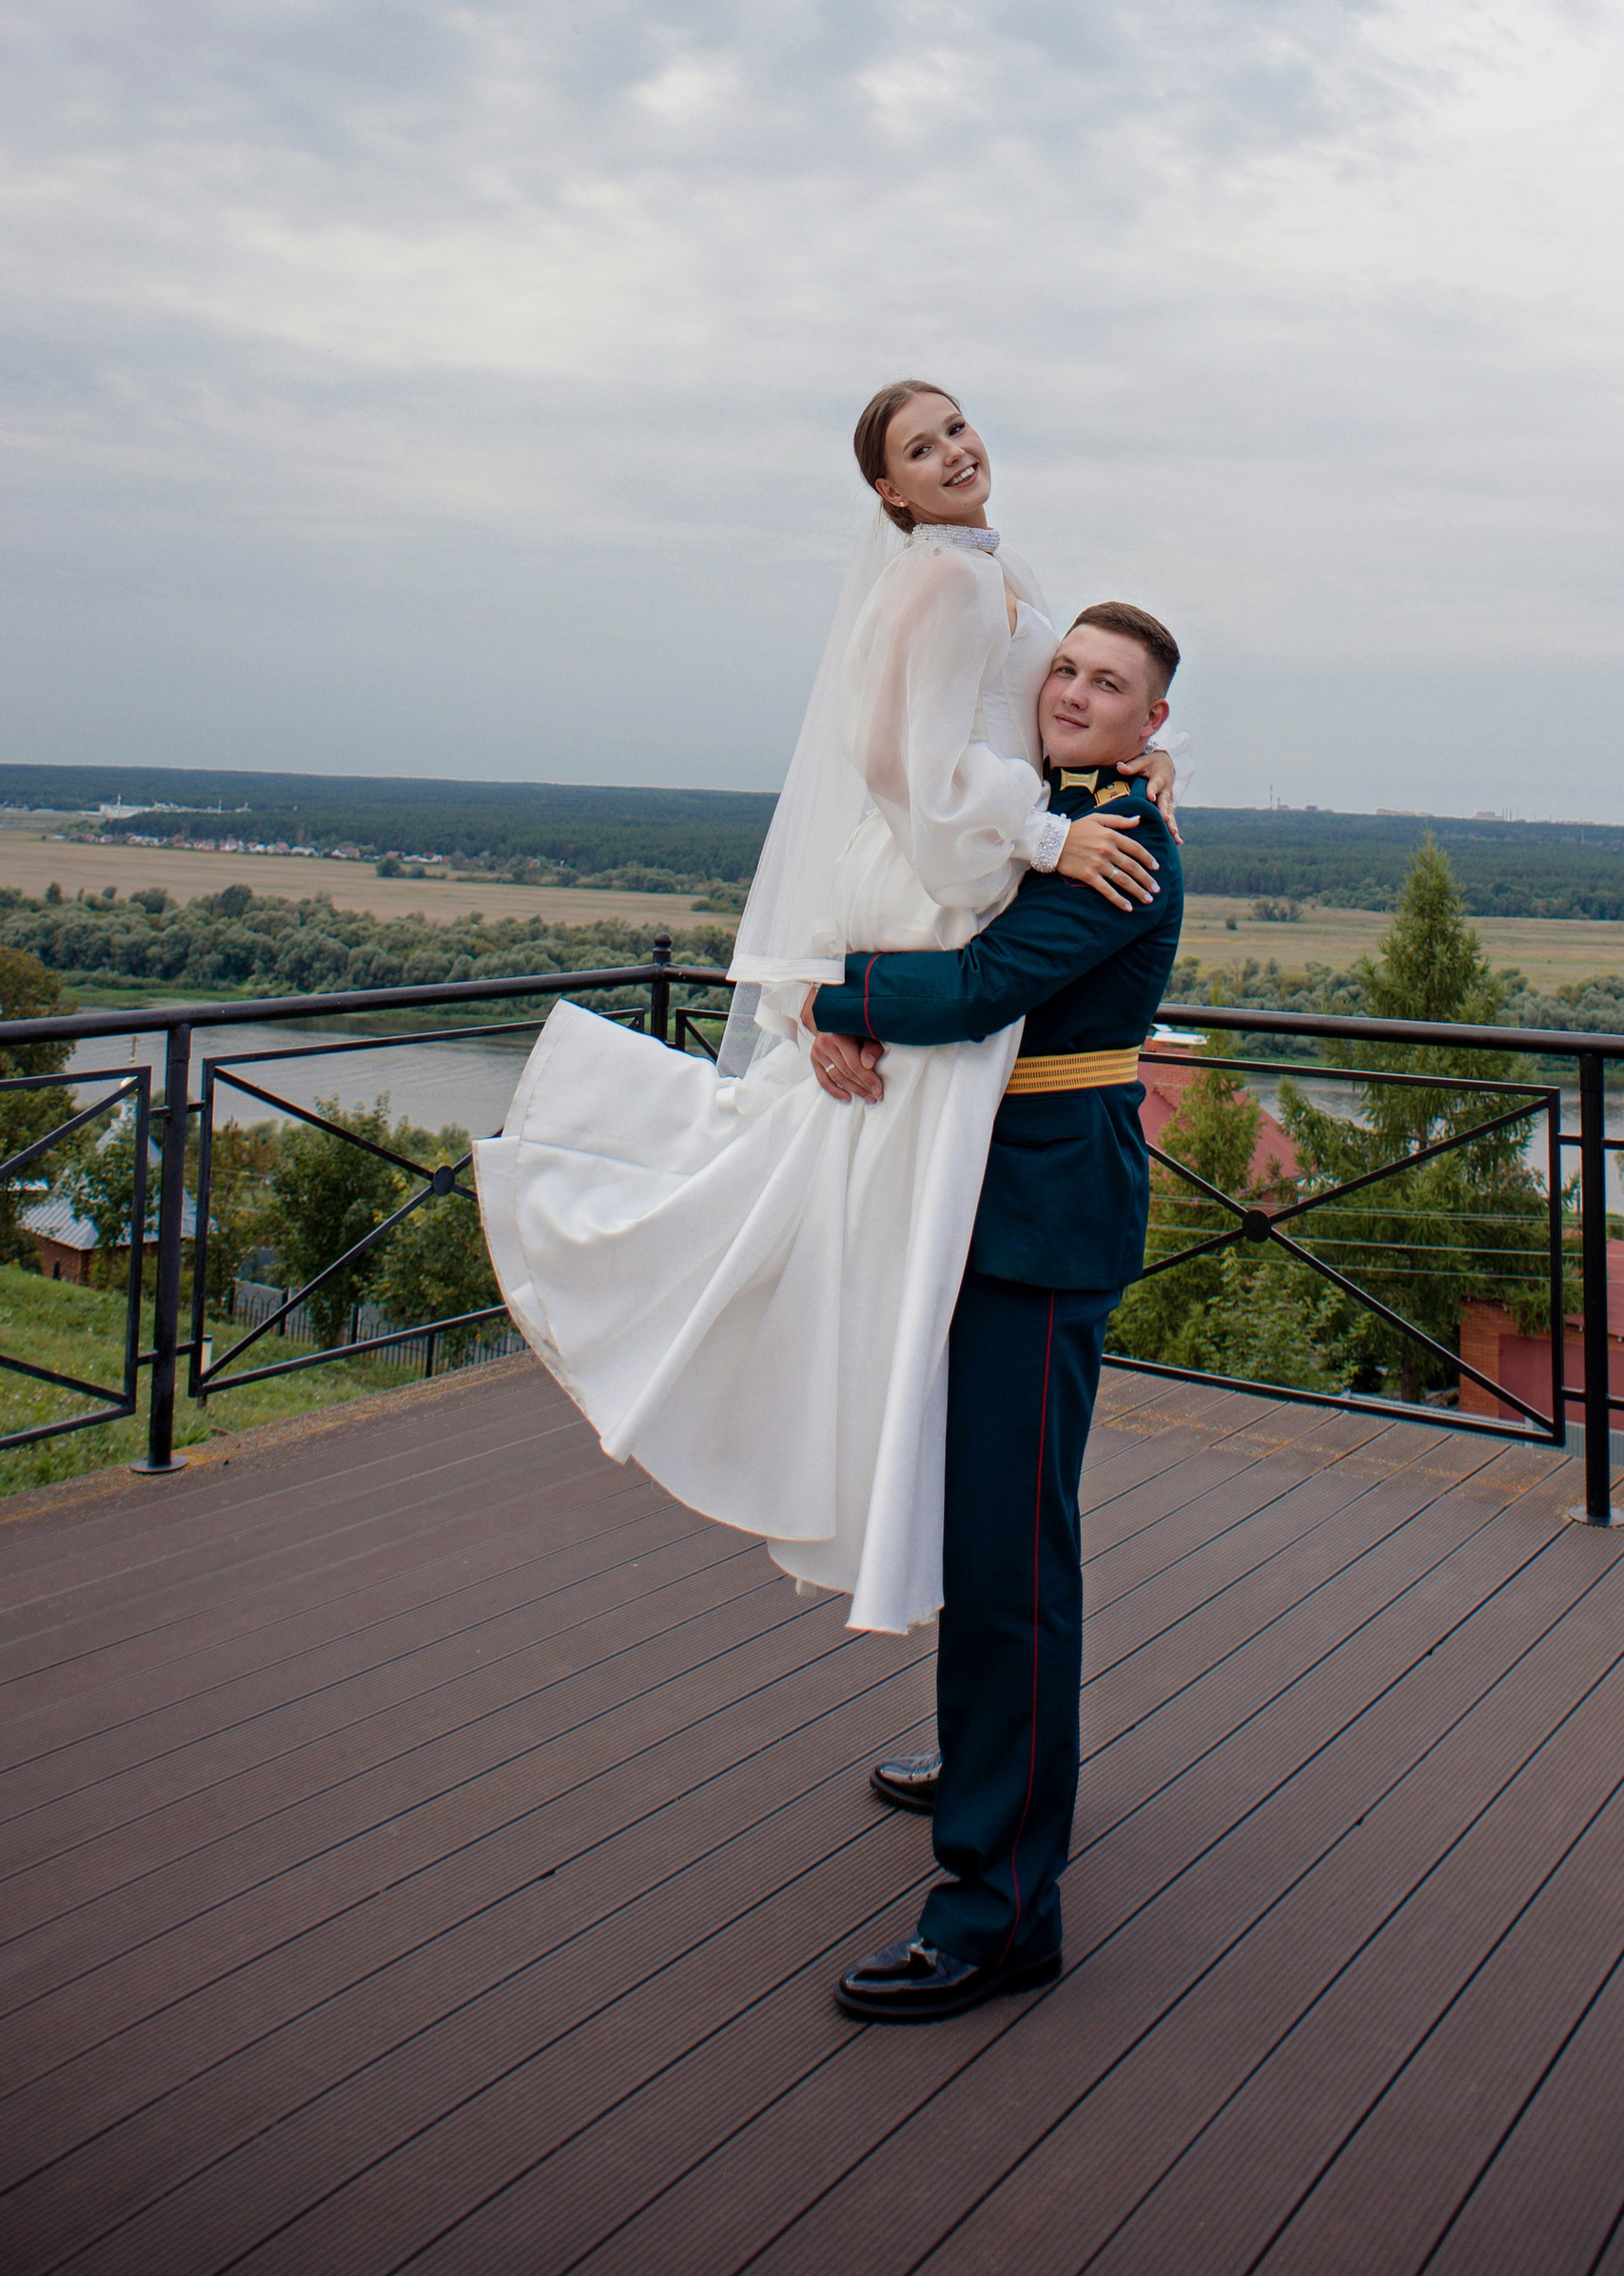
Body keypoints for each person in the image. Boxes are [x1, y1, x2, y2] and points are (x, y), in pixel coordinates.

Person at [475, 383, 1174, 1636]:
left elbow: (1058, 702)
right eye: (923, 447)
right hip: (949, 874)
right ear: (891, 493)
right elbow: (901, 763)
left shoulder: (984, 568)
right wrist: (1044, 831)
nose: (956, 450)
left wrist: (1130, 768)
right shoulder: (954, 581)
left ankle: (822, 1430)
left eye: (958, 426)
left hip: (966, 939)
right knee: (863, 1201)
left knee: (846, 1198)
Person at [800, 599, 1186, 2023]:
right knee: (981, 1523)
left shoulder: (1122, 848)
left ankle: (1001, 1905)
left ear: (1154, 722)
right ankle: (985, 1767)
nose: (1077, 689)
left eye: (1112, 683)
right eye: (1066, 668)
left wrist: (821, 988)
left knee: (1018, 1557)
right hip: (982, 1205)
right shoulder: (1056, 808)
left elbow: (977, 989)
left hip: (1042, 1220)